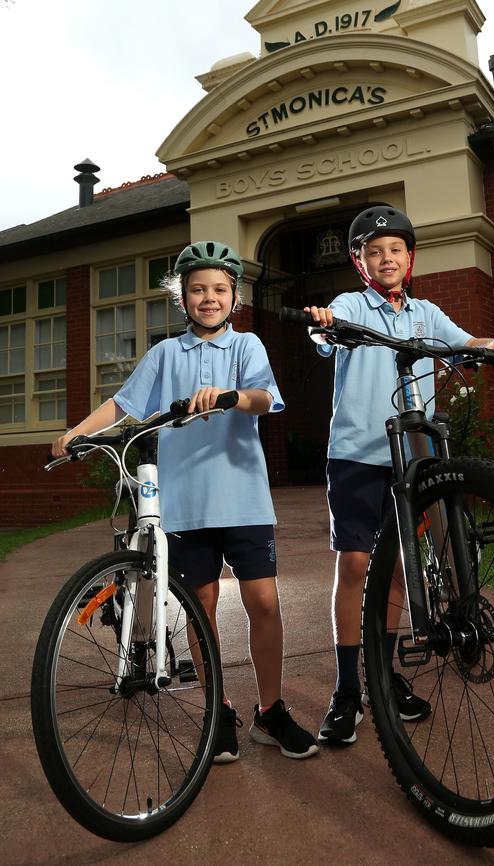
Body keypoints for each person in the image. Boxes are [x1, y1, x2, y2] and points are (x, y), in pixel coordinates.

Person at [53, 241, 318, 761]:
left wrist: (228, 396)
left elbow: (264, 398)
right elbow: (122, 404)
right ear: (182, 298)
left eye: (219, 289)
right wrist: (74, 433)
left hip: (243, 501)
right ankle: (216, 711)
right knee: (203, 611)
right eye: (198, 289)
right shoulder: (164, 355)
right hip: (187, 506)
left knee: (263, 602)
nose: (209, 297)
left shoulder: (247, 348)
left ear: (234, 297)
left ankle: (272, 710)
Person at [305, 205, 494, 745]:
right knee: (356, 563)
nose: (386, 259)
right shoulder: (350, 304)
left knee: (400, 568)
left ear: (409, 257)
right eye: (373, 252)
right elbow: (326, 334)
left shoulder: (424, 313)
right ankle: (347, 690)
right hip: (357, 453)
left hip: (413, 456)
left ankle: (386, 673)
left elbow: (461, 342)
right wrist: (324, 325)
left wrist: (492, 343)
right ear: (360, 262)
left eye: (395, 250)